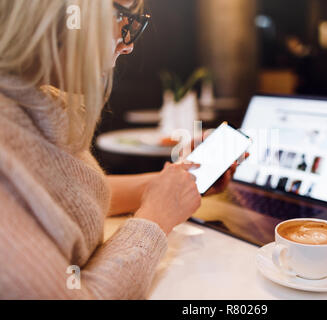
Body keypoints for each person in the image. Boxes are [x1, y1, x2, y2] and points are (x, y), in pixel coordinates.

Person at [0, 0, 242, 299]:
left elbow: (57, 198)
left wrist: (169, 186)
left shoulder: (29, 100)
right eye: (125, 19)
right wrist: (156, 218)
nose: (128, 45)